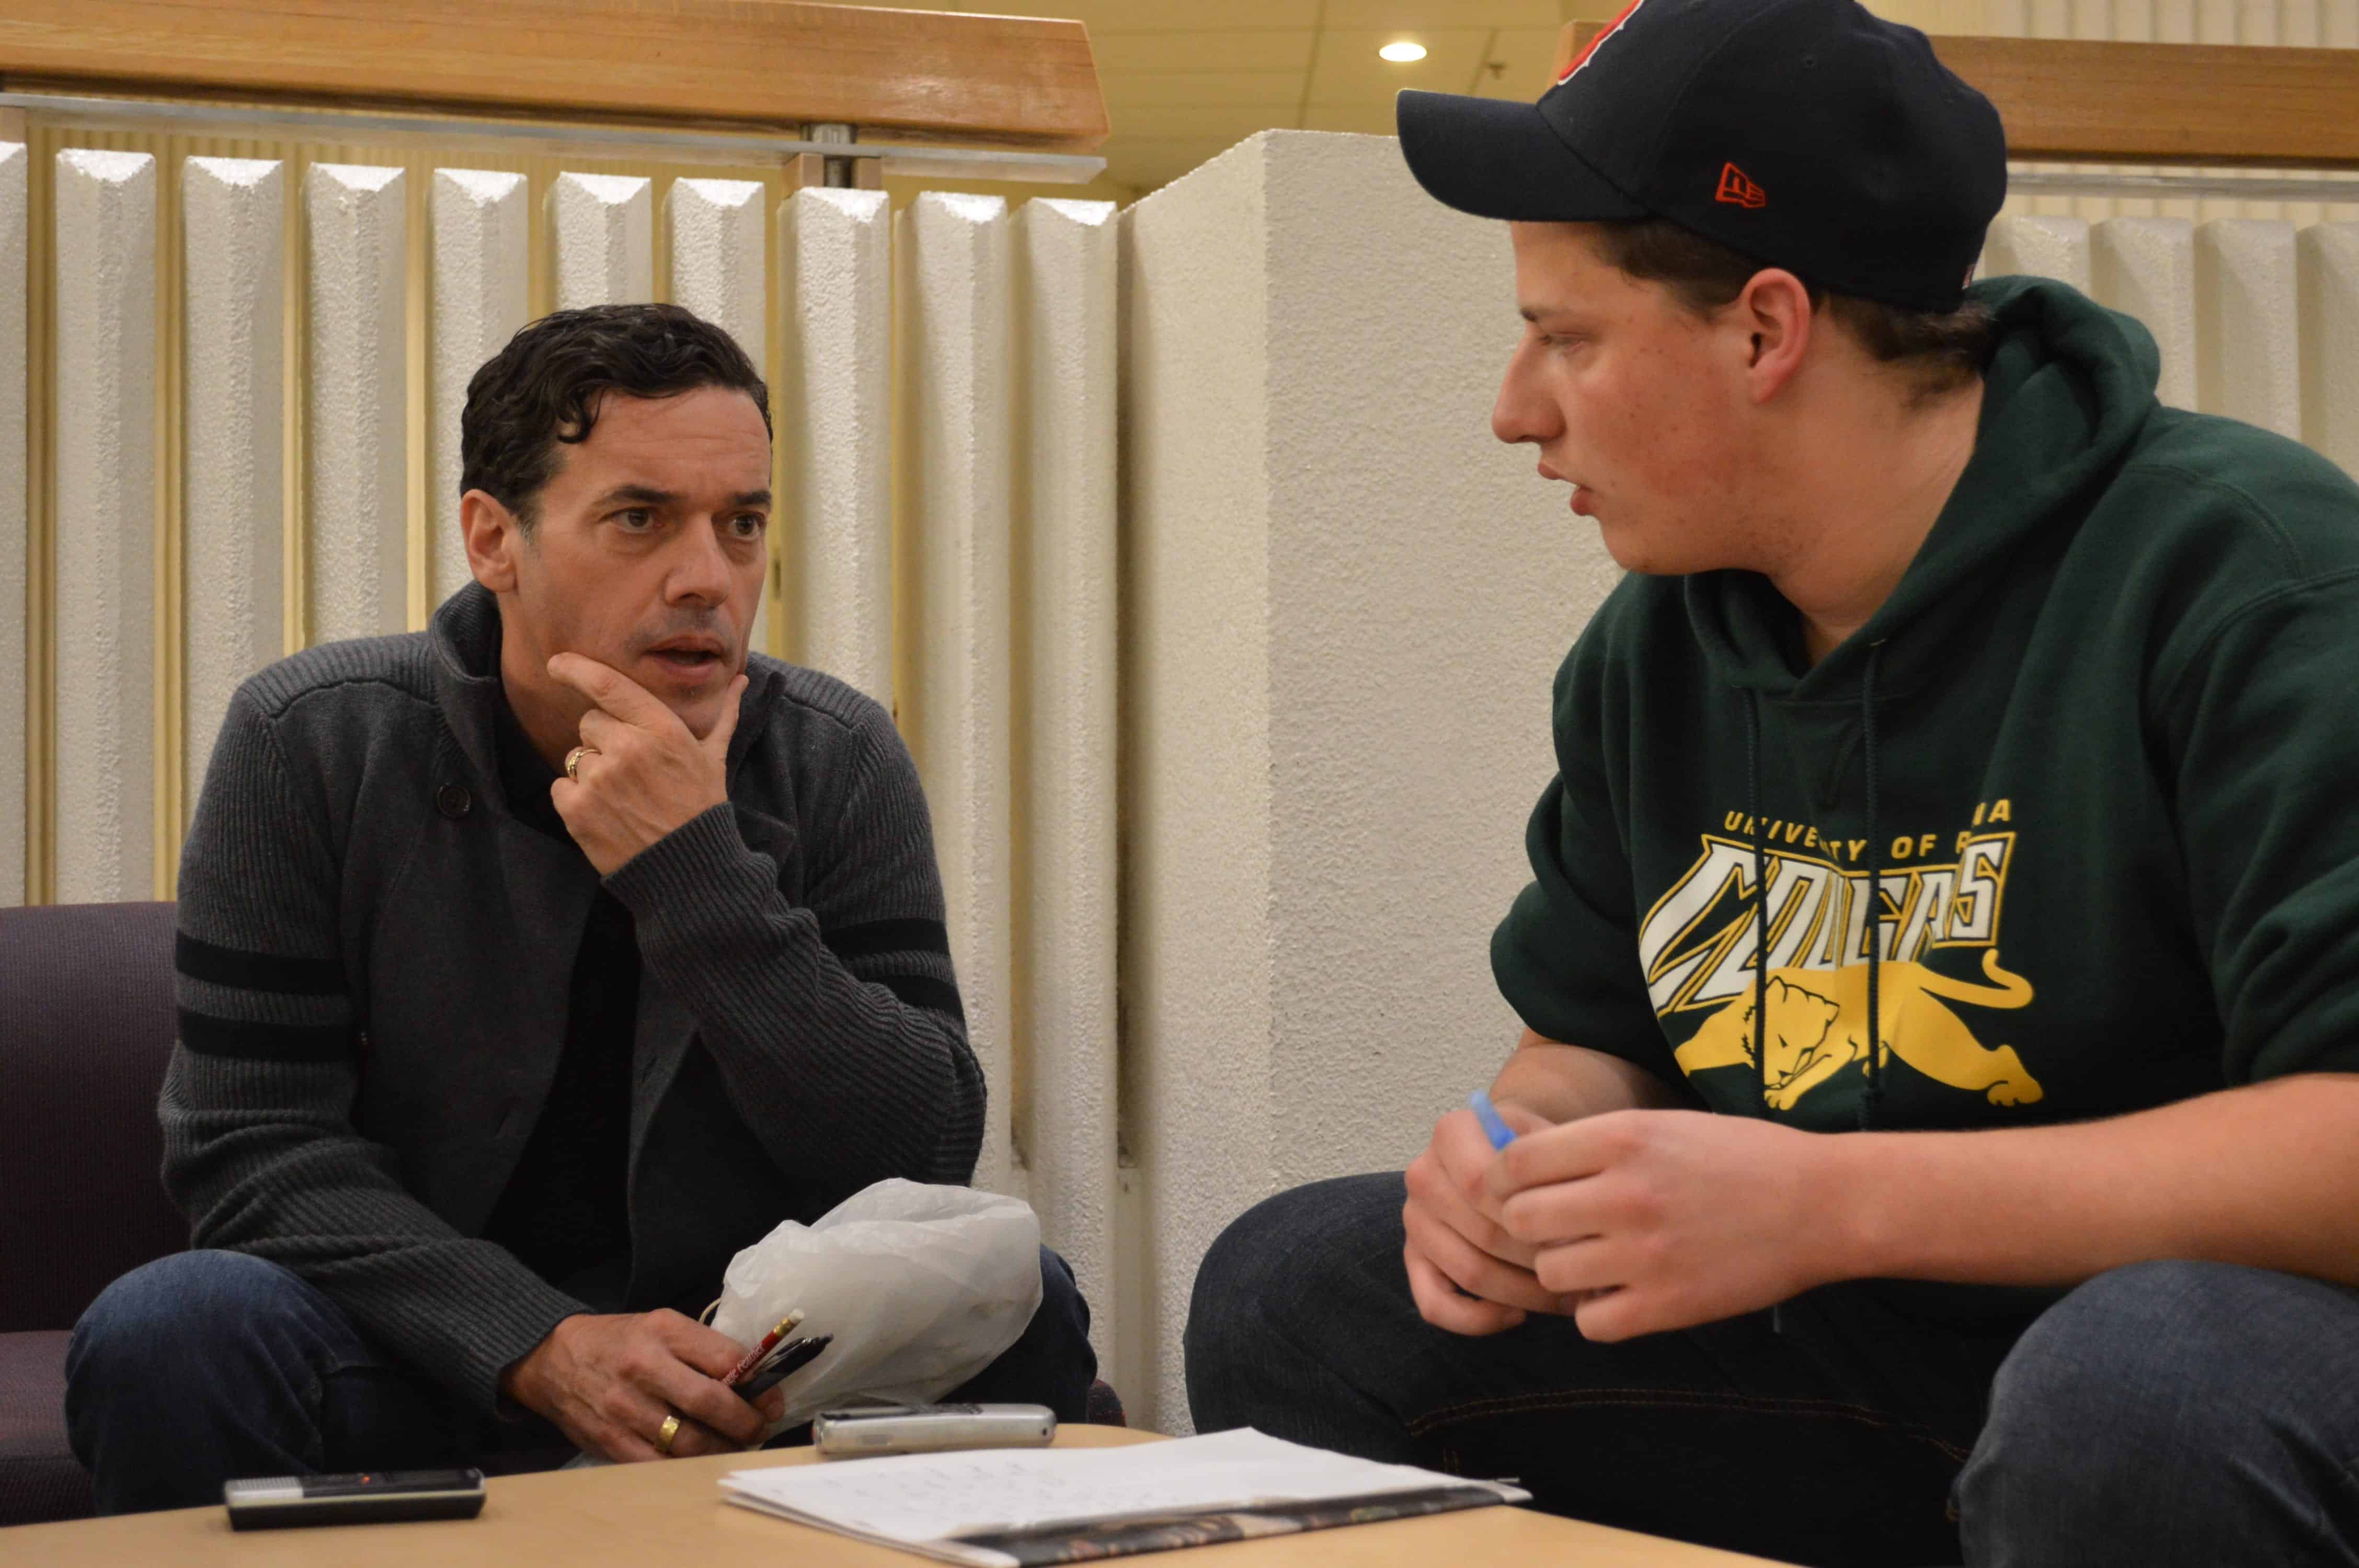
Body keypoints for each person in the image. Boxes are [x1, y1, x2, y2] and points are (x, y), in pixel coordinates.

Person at [1182, 2, 2359, 1564]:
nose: (1515, 408)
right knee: (1293, 1289)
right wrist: (1519, 1155)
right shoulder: (1654, 644)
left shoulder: (2255, 581)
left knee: (2131, 1397)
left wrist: (1830, 1203)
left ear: (1765, 331)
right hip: (1874, 1351)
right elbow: (1593, 1038)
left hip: (2231, 1351)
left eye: (1567, 338)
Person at [66, 303, 1095, 1514]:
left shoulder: (833, 755)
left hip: (741, 1376)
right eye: (639, 519)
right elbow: (251, 1153)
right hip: (419, 1347)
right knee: (174, 1325)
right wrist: (536, 1343)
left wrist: (695, 875)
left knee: (1032, 1296)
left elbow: (919, 1153)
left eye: (742, 523)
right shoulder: (312, 740)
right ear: (493, 540)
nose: (707, 578)